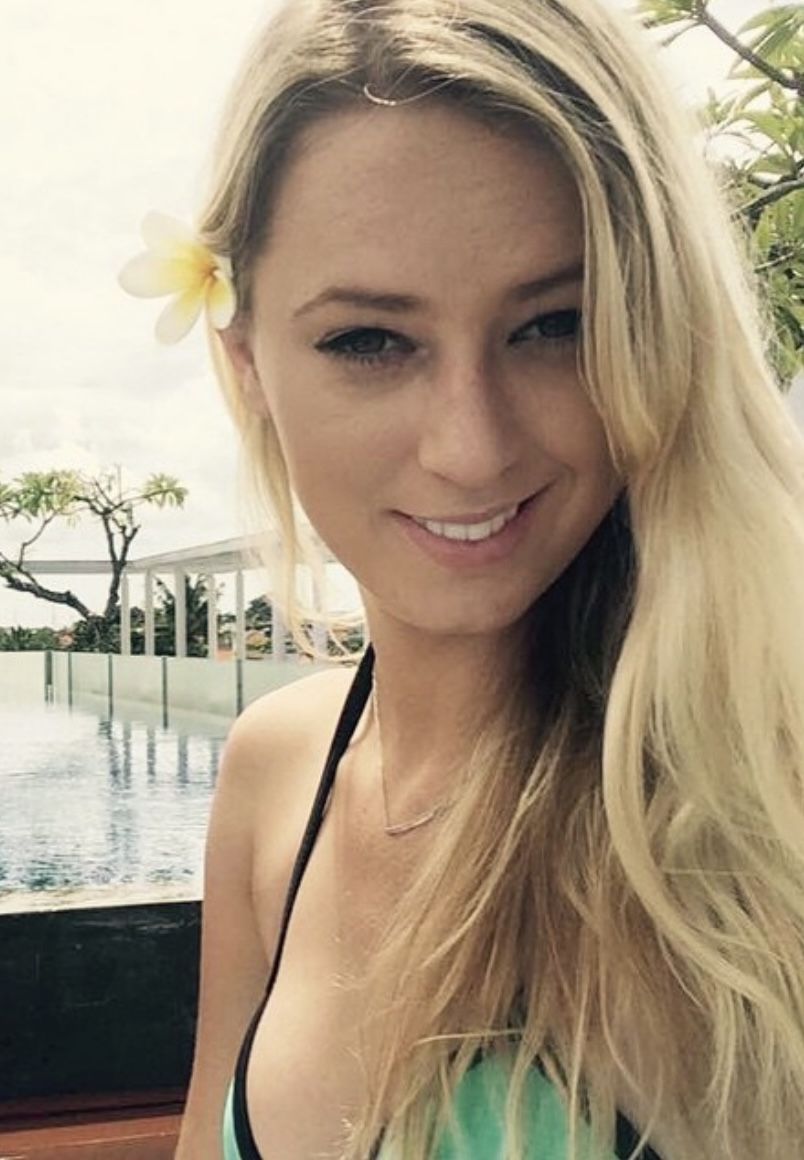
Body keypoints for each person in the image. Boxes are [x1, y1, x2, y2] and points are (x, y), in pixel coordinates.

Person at [124, 0, 804, 1156]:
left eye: (554, 324)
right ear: (247, 370)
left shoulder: (749, 812)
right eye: (369, 341)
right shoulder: (275, 773)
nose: (472, 447)